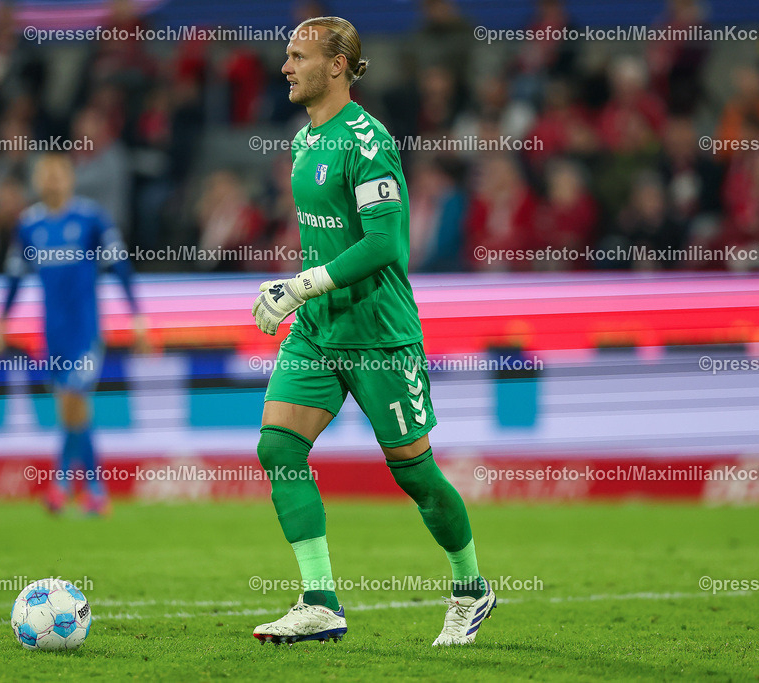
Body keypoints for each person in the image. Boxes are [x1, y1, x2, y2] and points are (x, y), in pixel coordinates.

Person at [250, 17, 494, 646]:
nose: (285, 66)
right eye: (287, 55)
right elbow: (328, 236)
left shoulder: (368, 140)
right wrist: (301, 292)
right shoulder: (305, 141)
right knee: (278, 449)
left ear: (336, 66)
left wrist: (301, 284)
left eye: (298, 56)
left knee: (414, 474)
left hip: (379, 335)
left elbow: (384, 242)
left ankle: (471, 587)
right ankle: (319, 601)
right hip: (318, 330)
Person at [0, 153, 147, 515]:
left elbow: (120, 266)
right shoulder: (28, 225)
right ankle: (93, 490)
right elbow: (14, 276)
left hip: (86, 332)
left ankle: (63, 484)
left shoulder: (91, 219)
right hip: (53, 336)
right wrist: (1, 320)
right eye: (46, 175)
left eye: (58, 174)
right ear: (36, 181)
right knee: (70, 411)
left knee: (74, 398)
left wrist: (137, 316)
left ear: (70, 179)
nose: (52, 181)